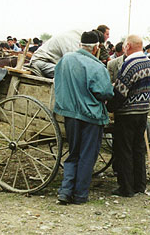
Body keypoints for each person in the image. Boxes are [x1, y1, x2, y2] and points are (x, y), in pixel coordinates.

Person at [54, 31, 114, 204]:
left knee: (73, 153)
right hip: (91, 116)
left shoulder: (65, 60)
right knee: (87, 155)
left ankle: (65, 192)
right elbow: (106, 92)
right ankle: (80, 195)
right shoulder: (97, 67)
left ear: (81, 45)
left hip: (70, 114)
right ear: (95, 48)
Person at [107, 35, 150, 197]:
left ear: (127, 46)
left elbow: (120, 91)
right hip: (143, 112)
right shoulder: (148, 62)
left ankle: (126, 187)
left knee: (124, 150)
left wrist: (109, 107)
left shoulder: (129, 64)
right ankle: (139, 185)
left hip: (128, 113)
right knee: (138, 148)